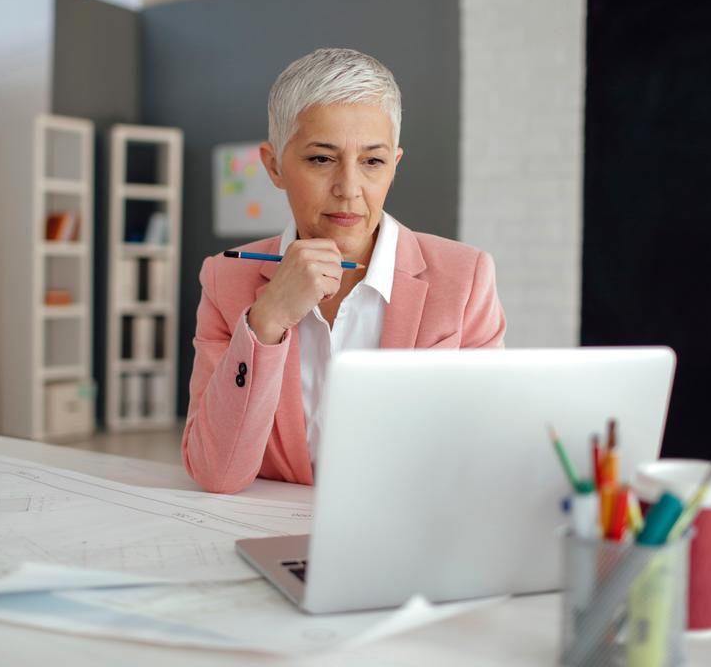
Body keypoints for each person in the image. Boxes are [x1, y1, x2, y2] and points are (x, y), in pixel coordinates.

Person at [183, 47, 506, 493]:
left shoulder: (466, 277)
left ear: (393, 166)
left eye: (372, 161)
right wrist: (267, 320)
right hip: (271, 535)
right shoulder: (225, 280)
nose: (349, 189)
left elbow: (487, 454)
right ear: (274, 165)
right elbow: (217, 473)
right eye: (321, 159)